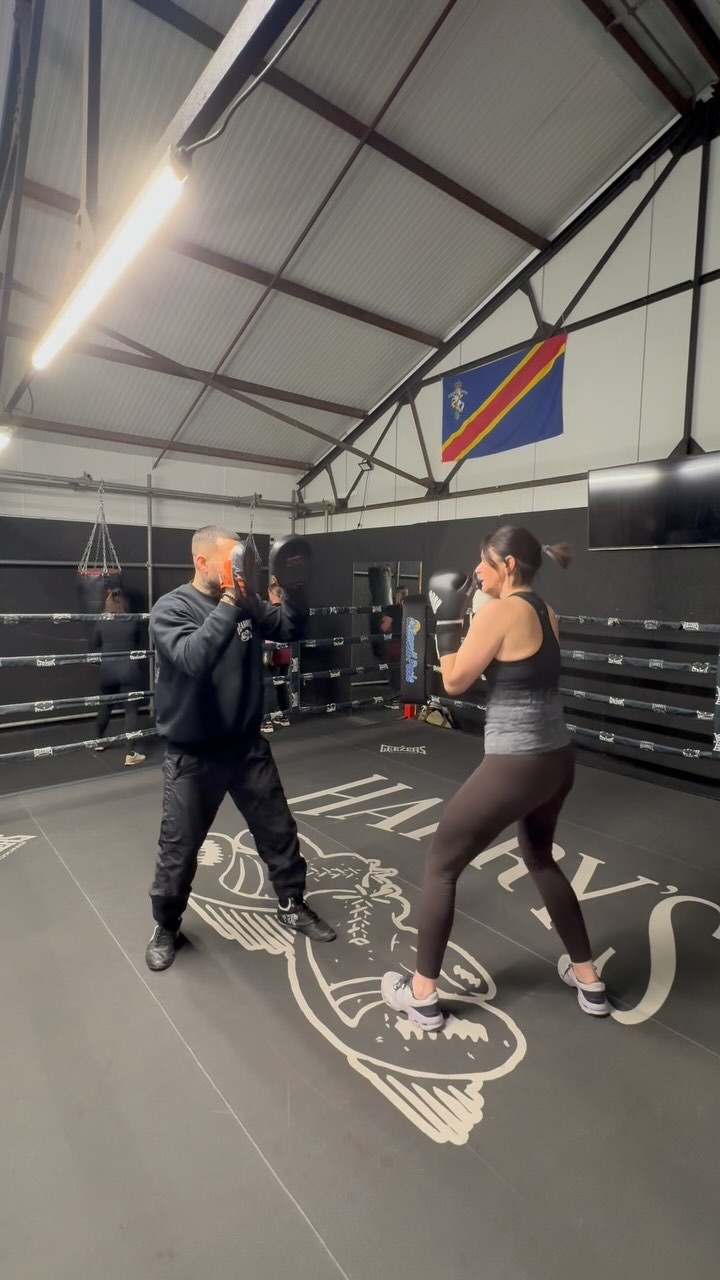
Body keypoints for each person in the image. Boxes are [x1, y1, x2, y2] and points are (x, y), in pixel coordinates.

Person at [382, 525, 609, 1029]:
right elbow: (513, 670)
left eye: (484, 562)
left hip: (516, 764)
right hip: (557, 759)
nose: (476, 571)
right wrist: (466, 617)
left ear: (507, 566)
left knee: (440, 864)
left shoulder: (502, 612)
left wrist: (445, 623)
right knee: (539, 858)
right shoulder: (545, 612)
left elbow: (456, 682)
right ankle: (589, 980)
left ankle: (420, 995)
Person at [145, 526, 336, 972]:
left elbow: (290, 627)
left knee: (278, 830)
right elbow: (194, 658)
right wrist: (233, 601)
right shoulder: (171, 608)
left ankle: (291, 903)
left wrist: (292, 586)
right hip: (194, 753)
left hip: (247, 745)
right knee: (179, 848)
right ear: (202, 562)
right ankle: (166, 925)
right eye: (232, 561)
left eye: (242, 561)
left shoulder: (248, 601)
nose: (240, 569)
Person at [91, 587, 146, 767]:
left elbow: (94, 644)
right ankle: (130, 753)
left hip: (107, 670)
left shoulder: (101, 620)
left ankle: (99, 742)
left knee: (106, 705)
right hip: (128, 670)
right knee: (130, 711)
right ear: (124, 604)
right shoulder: (132, 620)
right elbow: (138, 642)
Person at [261, 577, 291, 733]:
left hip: (272, 654)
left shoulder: (271, 611)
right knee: (281, 684)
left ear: (272, 594)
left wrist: (266, 653)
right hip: (285, 653)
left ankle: (266, 722)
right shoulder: (286, 611)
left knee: (269, 686)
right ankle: (283, 716)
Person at [379, 585, 408, 706]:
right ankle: (407, 699)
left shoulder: (393, 608)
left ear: (397, 595)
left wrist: (380, 620)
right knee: (406, 670)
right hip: (409, 643)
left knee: (395, 671)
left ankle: (395, 699)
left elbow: (384, 627)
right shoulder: (411, 608)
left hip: (396, 643)